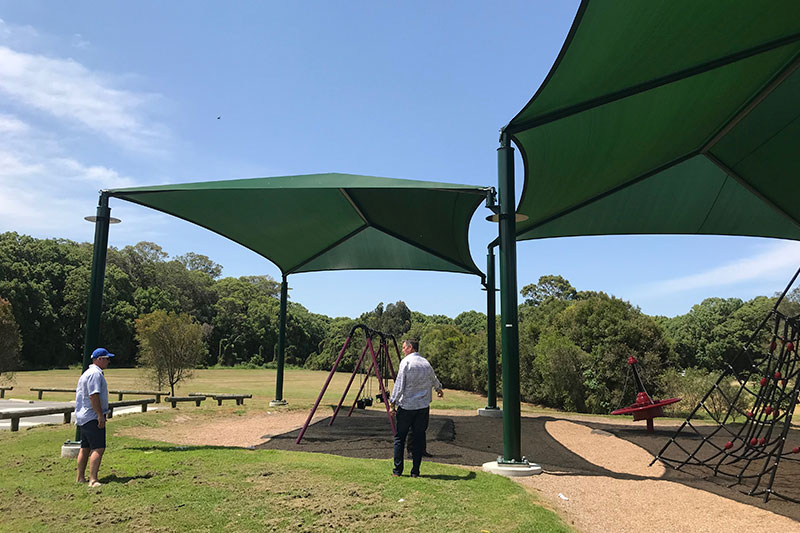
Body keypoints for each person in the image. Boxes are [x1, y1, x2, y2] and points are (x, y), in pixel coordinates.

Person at [389, 338, 443, 477]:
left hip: (407, 406)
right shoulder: (425, 363)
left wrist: (392, 402)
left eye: (403, 347)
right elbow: (433, 378)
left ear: (410, 347)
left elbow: (399, 385)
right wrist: (439, 388)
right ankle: (415, 471)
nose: (402, 350)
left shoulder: (406, 363)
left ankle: (397, 470)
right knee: (419, 438)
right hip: (422, 407)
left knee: (400, 438)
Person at [75, 347, 114, 487]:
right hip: (91, 416)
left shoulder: (87, 373)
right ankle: (93, 480)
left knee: (84, 447)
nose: (108, 361)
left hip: (83, 417)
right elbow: (93, 395)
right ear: (99, 359)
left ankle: (80, 478)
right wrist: (99, 415)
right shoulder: (95, 374)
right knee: (98, 448)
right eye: (107, 359)